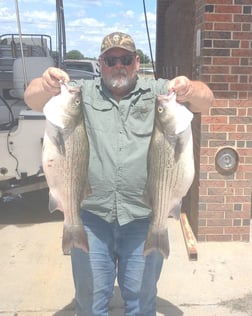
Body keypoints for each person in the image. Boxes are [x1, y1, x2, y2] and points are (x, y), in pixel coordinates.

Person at [24, 32, 213, 316]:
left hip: (142, 219)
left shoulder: (158, 92)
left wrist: (189, 88)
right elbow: (32, 98)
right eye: (111, 60)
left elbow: (206, 100)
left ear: (137, 62)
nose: (118, 66)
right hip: (91, 218)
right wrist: (44, 82)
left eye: (125, 59)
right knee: (90, 303)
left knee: (141, 302)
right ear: (100, 63)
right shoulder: (80, 92)